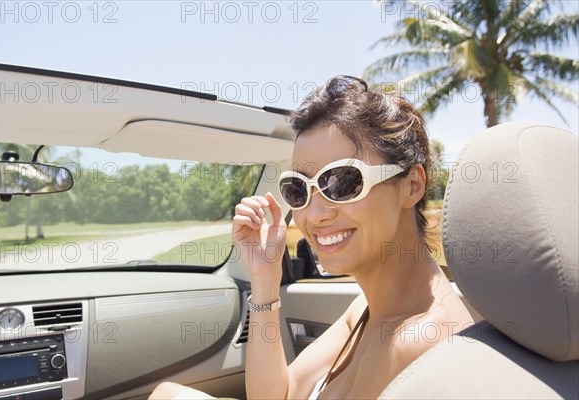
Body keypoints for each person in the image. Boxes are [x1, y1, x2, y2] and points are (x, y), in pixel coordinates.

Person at [150, 76, 474, 399]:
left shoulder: (417, 341)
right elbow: (279, 394)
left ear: (412, 185)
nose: (316, 214)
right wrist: (265, 277)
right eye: (299, 188)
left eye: (343, 182)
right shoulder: (368, 308)